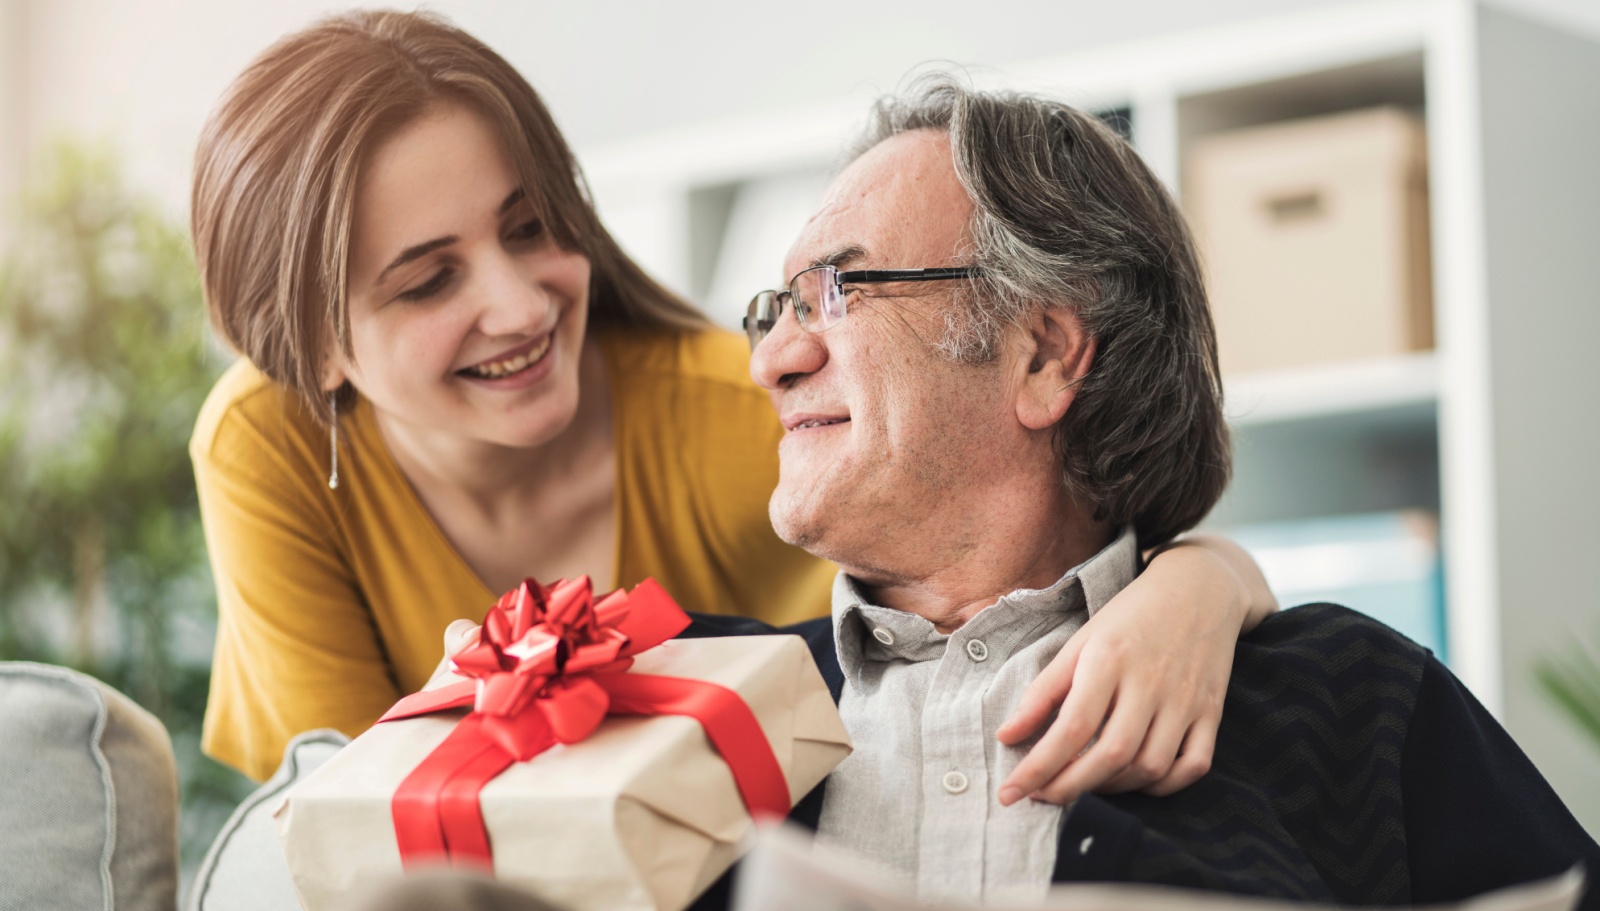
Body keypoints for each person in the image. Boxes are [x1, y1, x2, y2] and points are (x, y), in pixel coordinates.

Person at [245, 76, 1600, 911]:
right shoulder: (675, 694)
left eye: (841, 290)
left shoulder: (1344, 697)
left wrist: (1210, 577)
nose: (771, 354)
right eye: (776, 308)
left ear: (1041, 353)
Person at [188, 9, 1278, 796]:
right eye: (429, 280)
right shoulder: (267, 444)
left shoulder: (744, 409)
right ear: (316, 346)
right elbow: (336, 819)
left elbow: (1012, 565)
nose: (518, 305)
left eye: (529, 228)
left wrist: (1201, 576)